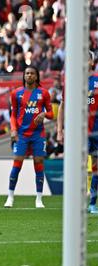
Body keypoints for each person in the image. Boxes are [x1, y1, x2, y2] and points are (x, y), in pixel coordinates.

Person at [4, 65, 54, 208]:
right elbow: (13, 115)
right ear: (24, 76)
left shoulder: (44, 93)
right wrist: (13, 130)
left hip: (38, 134)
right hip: (21, 134)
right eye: (27, 73)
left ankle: (39, 199)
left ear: (37, 76)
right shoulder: (16, 93)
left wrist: (44, 114)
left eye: (32, 73)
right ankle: (10, 197)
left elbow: (51, 114)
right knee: (17, 163)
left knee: (38, 162)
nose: (29, 76)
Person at [57, 50, 98, 214]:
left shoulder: (96, 81)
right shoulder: (71, 82)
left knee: (96, 168)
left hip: (96, 131)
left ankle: (92, 203)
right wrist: (60, 130)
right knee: (78, 167)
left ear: (91, 62)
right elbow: (62, 106)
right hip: (79, 133)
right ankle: (76, 202)